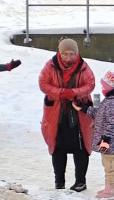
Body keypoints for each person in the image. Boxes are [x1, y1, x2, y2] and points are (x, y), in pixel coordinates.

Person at [38, 38, 95, 191]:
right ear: (59, 52)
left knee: (81, 147)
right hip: (57, 113)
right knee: (57, 147)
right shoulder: (50, 66)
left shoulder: (83, 67)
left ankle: (80, 181)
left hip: (78, 113)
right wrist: (61, 93)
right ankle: (59, 182)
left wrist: (74, 93)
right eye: (65, 54)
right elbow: (43, 83)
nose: (69, 57)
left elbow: (90, 84)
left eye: (72, 54)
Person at [76, 70, 114, 199]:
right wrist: (84, 108)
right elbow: (99, 115)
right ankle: (108, 187)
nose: (102, 88)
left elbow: (112, 123)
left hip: (110, 142)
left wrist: (106, 139)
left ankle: (111, 190)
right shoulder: (109, 100)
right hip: (107, 141)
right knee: (107, 163)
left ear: (111, 87)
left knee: (110, 164)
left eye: (104, 86)